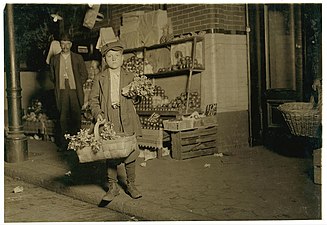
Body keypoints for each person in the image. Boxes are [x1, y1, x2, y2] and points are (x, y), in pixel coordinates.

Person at [89, 40, 142, 201]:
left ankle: (131, 184)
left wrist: (133, 93)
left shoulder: (130, 76)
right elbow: (93, 100)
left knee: (130, 151)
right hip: (109, 119)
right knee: (111, 152)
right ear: (105, 59)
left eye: (116, 56)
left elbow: (139, 98)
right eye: (109, 56)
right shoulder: (100, 78)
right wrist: (98, 113)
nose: (113, 59)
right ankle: (112, 187)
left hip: (126, 116)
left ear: (122, 58)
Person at [49, 33, 88, 151]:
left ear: (71, 45)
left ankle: (77, 143)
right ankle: (64, 144)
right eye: (62, 43)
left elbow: (84, 75)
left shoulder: (77, 58)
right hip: (62, 91)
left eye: (67, 44)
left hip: (74, 91)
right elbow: (52, 76)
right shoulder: (54, 59)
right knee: (63, 118)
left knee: (76, 118)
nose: (65, 46)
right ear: (59, 44)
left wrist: (77, 83)